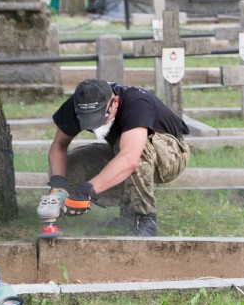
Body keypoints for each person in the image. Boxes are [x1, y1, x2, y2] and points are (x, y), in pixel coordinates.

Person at [46, 79, 191, 237]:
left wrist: (87, 190)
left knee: (133, 150)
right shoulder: (79, 102)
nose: (96, 125)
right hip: (124, 151)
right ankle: (127, 215)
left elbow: (130, 158)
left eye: (101, 117)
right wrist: (58, 185)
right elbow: (59, 145)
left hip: (171, 156)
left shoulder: (136, 103)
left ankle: (145, 220)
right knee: (73, 164)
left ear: (115, 102)